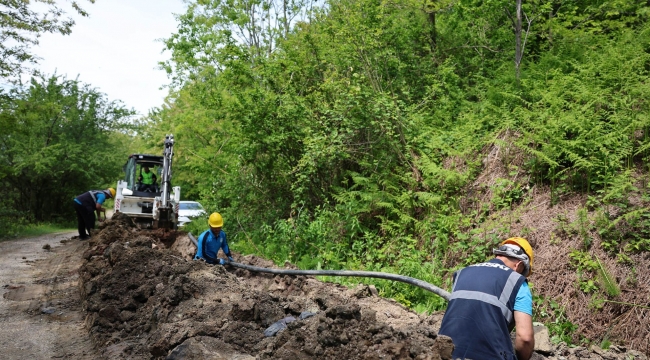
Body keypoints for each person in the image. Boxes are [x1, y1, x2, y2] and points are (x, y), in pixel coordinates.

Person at [438, 237, 535, 360]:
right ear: (519, 265)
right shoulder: (518, 282)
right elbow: (525, 338)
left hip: (445, 353)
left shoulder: (461, 273)